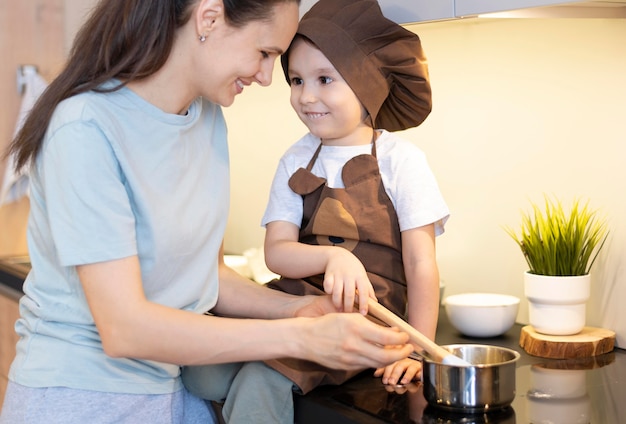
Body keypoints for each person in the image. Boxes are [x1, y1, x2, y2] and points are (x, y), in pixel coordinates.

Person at [0, 0, 416, 423]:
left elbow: (208, 276)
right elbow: (124, 328)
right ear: (210, 18)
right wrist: (300, 337)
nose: (266, 76)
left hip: (176, 390)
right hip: (81, 399)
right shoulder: (85, 128)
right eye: (265, 53)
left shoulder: (207, 118)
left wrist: (298, 311)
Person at [181, 0, 449, 422]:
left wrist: (418, 350)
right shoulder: (296, 159)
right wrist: (331, 257)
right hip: (297, 302)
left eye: (325, 79)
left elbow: (421, 264)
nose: (306, 96)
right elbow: (278, 252)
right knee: (201, 374)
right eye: (297, 80)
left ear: (368, 85)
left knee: (261, 378)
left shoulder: (403, 161)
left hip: (367, 316)